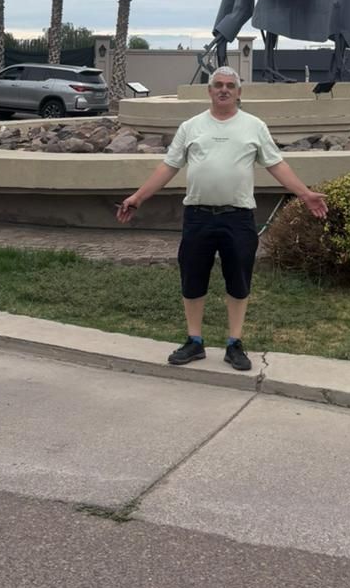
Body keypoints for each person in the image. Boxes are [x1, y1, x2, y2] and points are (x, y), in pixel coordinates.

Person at [116, 65, 327, 371]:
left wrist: (305, 194)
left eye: (230, 85)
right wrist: (138, 197)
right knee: (192, 279)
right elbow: (168, 167)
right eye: (218, 85)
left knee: (239, 280)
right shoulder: (191, 127)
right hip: (198, 216)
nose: (224, 89)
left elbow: (276, 165)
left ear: (239, 92)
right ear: (210, 91)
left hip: (238, 218)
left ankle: (234, 343)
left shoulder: (254, 126)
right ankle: (194, 341)